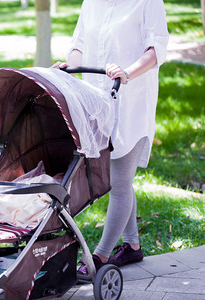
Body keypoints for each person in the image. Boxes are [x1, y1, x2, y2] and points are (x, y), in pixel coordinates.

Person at [52, 0, 169, 275]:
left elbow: (157, 48)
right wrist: (69, 67)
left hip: (132, 101)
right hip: (97, 99)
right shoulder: (92, 2)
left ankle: (100, 258)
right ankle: (132, 246)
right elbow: (80, 44)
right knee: (120, 180)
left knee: (119, 181)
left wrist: (127, 72)